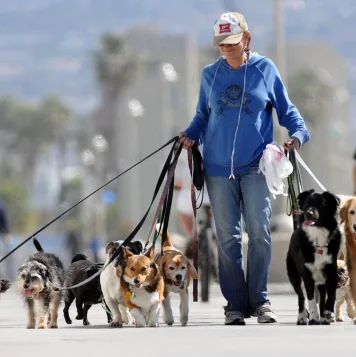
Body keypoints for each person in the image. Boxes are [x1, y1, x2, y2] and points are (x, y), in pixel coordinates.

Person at [179, 11, 310, 325]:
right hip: (217, 168)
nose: (225, 48)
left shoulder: (265, 70)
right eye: (221, 43)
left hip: (255, 167)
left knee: (260, 233)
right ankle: (235, 305)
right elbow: (202, 116)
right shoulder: (210, 74)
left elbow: (288, 113)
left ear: (247, 39)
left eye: (232, 42)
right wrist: (189, 134)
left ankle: (260, 301)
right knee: (227, 238)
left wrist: (297, 135)